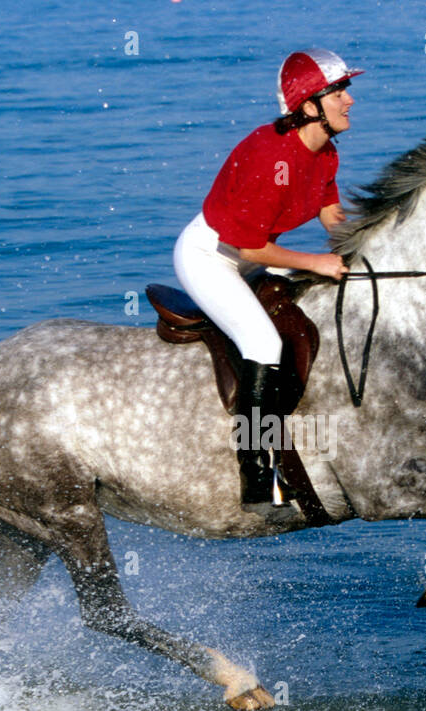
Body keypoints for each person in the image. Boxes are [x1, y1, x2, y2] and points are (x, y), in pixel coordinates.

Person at [174, 48, 360, 512]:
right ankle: (255, 477)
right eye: (339, 92)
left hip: (254, 255)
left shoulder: (324, 151)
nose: (349, 101)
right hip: (212, 257)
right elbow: (248, 248)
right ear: (310, 106)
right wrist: (317, 263)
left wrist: (356, 251)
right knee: (262, 343)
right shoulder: (270, 157)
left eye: (346, 90)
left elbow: (330, 211)